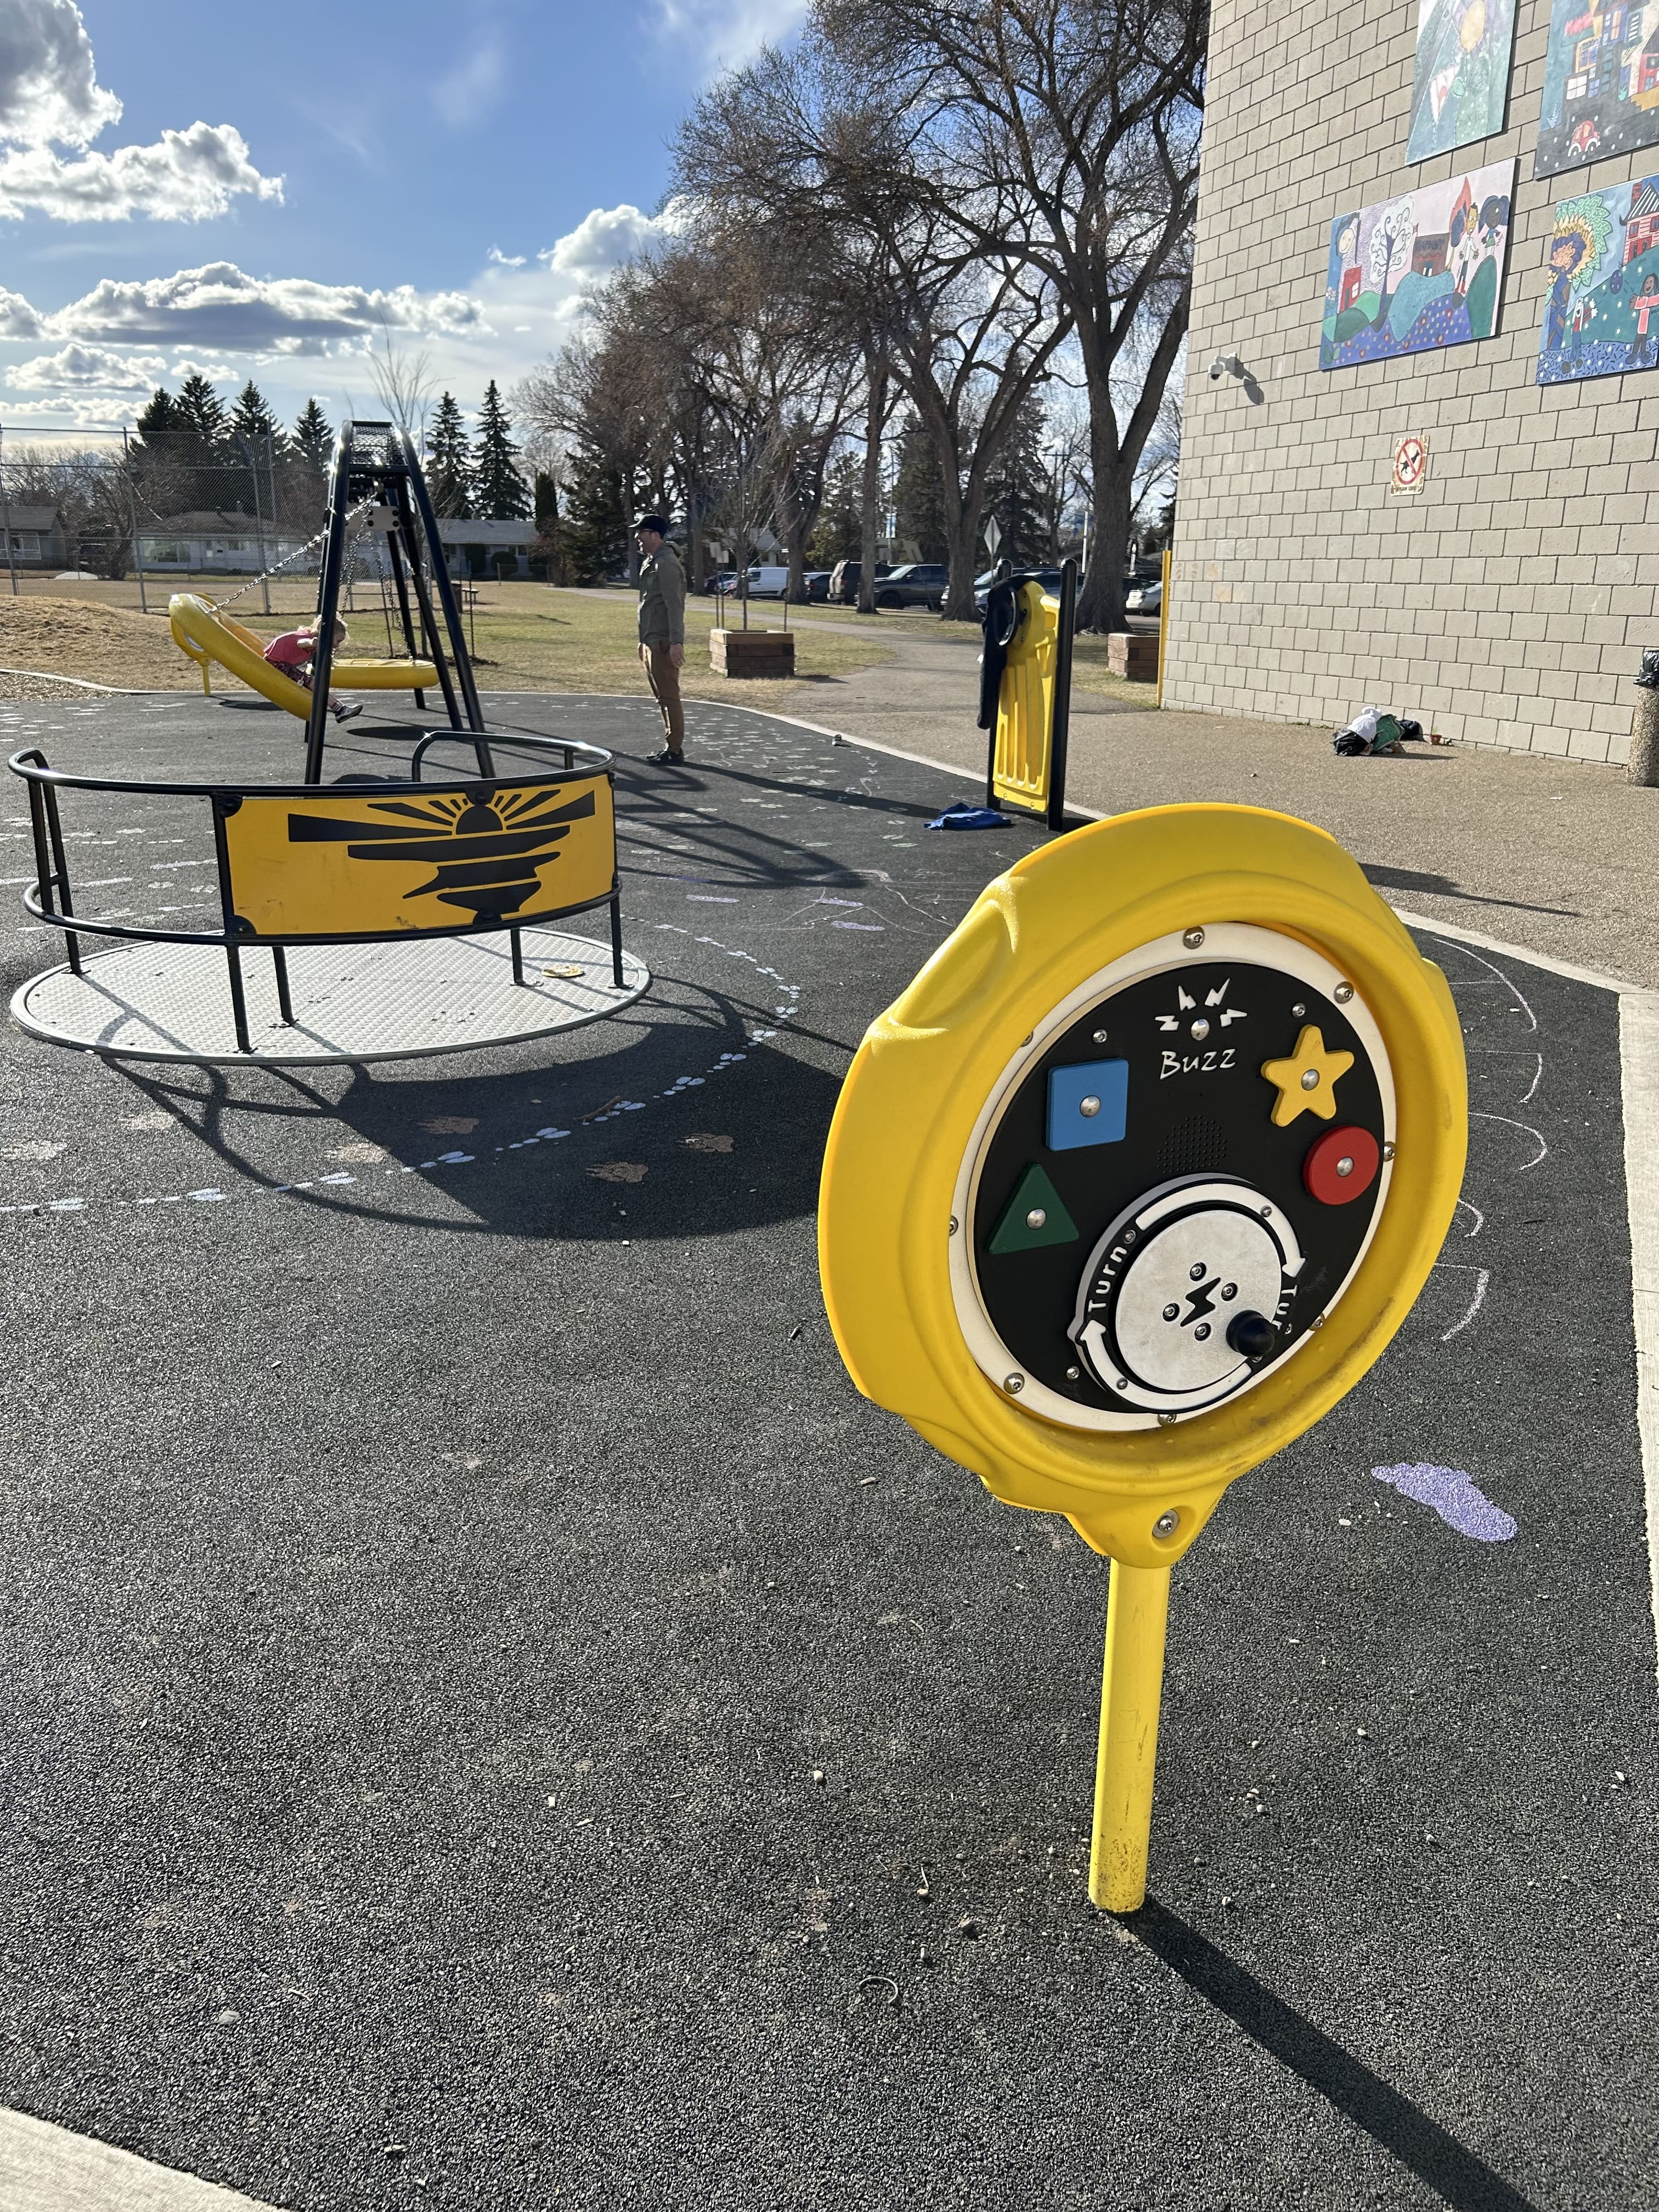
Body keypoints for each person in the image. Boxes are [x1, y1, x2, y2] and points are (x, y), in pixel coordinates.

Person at [634, 514, 686, 765]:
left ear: (655, 535)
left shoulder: (666, 564)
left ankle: (674, 749)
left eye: (641, 533)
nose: (637, 538)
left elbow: (674, 605)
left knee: (668, 696)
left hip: (664, 641)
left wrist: (677, 642)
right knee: (662, 697)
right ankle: (671, 746)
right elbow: (648, 605)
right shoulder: (651, 562)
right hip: (652, 640)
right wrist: (643, 640)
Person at [263, 618, 362, 723]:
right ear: (328, 635)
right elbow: (300, 643)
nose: (338, 645)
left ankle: (339, 708)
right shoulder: (311, 640)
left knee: (313, 682)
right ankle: (339, 709)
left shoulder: (314, 640)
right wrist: (311, 643)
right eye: (338, 641)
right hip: (275, 662)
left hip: (280, 662)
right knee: (313, 682)